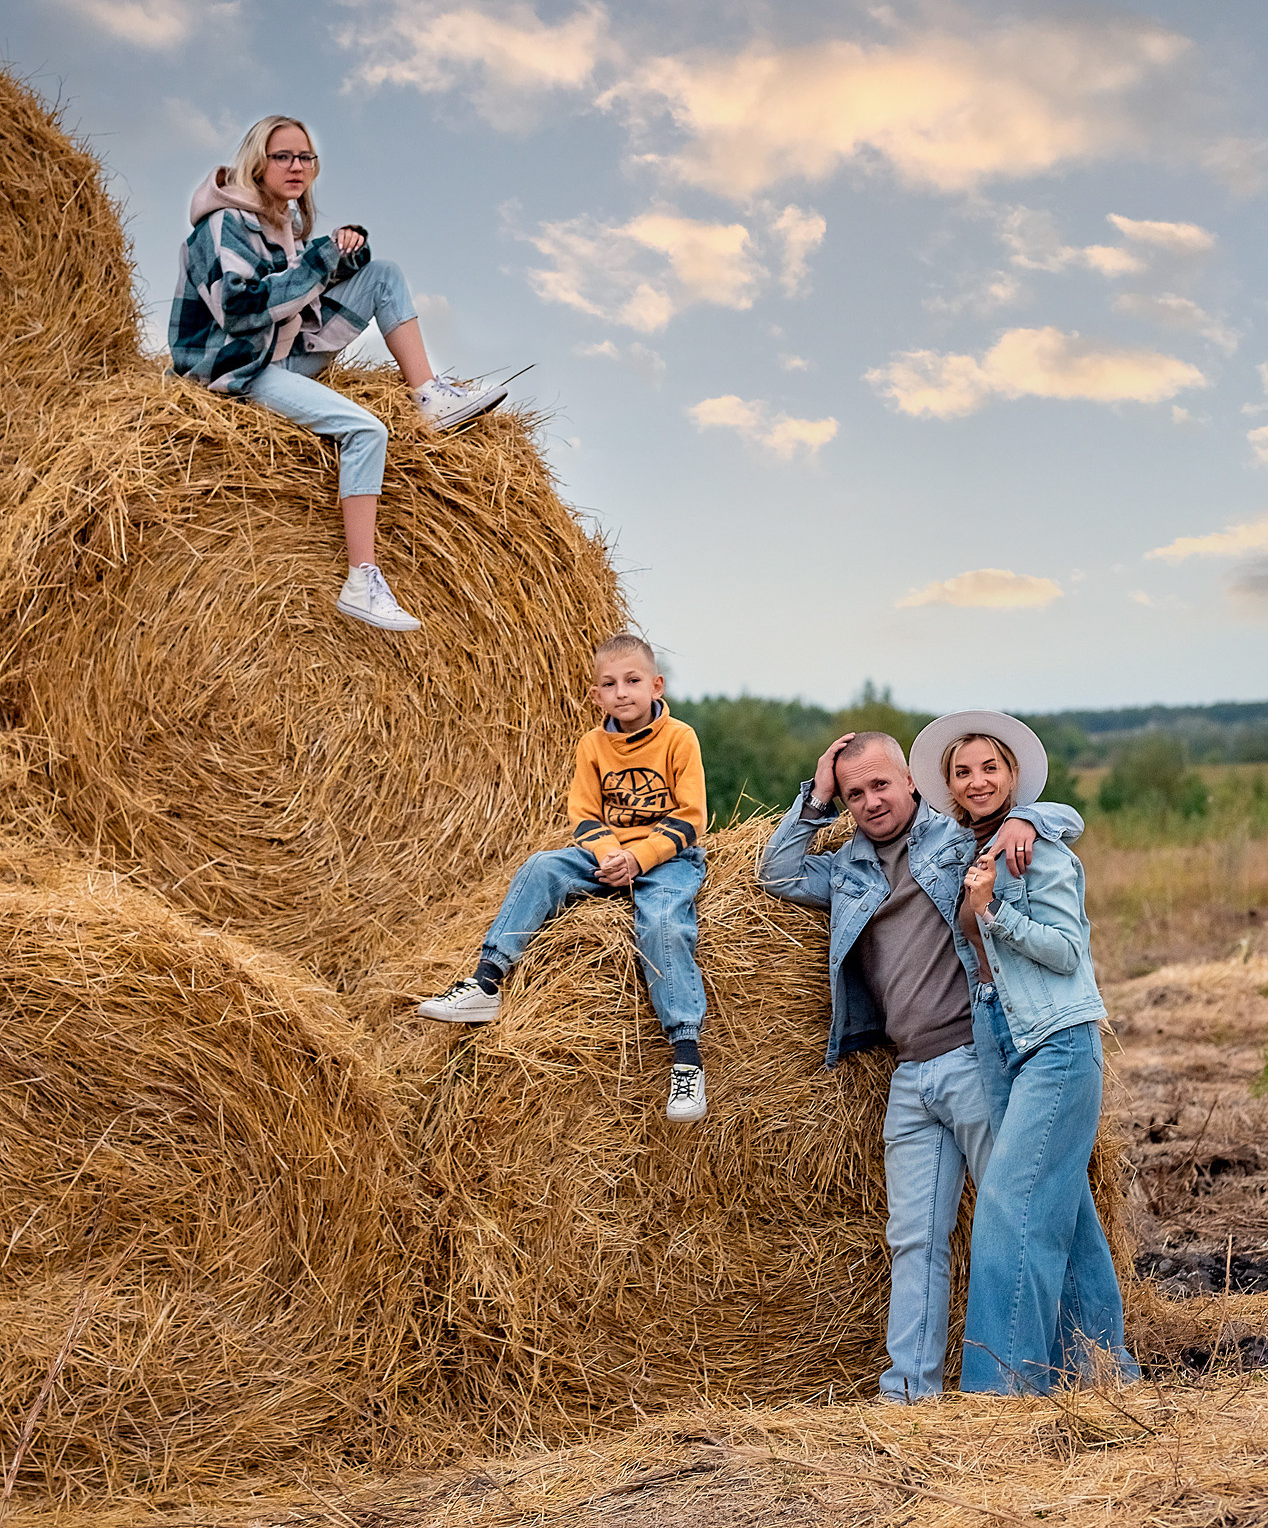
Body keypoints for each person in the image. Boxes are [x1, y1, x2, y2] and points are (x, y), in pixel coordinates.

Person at [756, 729, 1082, 1401]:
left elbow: (1059, 819)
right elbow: (778, 872)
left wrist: (1023, 818)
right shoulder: (846, 870)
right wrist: (816, 795)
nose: (871, 801)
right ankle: (908, 1394)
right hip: (909, 1076)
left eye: (881, 784)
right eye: (855, 793)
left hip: (975, 1060)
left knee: (1019, 1222)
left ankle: (1059, 1373)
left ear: (911, 781)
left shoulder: (956, 840)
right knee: (913, 1239)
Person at [168, 114, 507, 633]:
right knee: (367, 431)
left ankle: (429, 394)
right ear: (257, 163)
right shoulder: (222, 225)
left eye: (305, 157)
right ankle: (361, 580)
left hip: (275, 350)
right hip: (235, 368)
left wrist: (345, 252)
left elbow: (304, 282)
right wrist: (321, 258)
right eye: (283, 156)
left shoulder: (280, 222)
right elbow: (239, 310)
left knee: (384, 274)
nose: (297, 167)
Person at [907, 711, 1139, 1395]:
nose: (976, 781)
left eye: (990, 768)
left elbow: (1068, 953)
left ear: (1012, 776)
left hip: (1057, 1041)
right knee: (1068, 1213)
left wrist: (995, 910)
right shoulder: (965, 852)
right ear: (949, 786)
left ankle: (1000, 1393)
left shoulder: (1039, 852)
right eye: (962, 772)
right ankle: (1103, 1373)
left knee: (1008, 1208)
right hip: (999, 1041)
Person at [416, 634, 711, 1122]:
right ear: (595, 695)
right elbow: (584, 816)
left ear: (656, 686)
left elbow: (690, 817)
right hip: (608, 856)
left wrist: (639, 859)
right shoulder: (592, 745)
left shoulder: (680, 738)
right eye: (609, 684)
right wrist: (611, 855)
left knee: (662, 924)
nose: (621, 692)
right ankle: (486, 982)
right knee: (541, 866)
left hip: (668, 858)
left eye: (632, 681)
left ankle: (686, 1057)